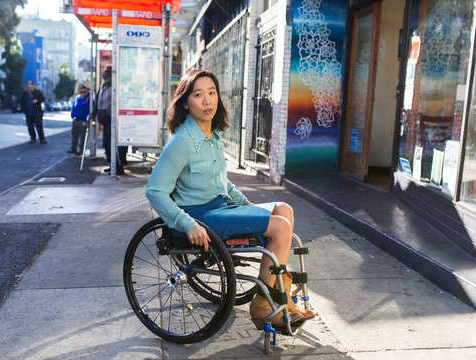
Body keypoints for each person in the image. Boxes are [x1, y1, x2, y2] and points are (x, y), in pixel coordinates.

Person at [145, 69, 315, 330]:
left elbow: (223, 185)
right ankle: (264, 304)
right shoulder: (181, 142)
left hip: (221, 208)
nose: (207, 101)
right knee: (280, 227)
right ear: (186, 102)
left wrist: (248, 207)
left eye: (211, 93)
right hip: (200, 216)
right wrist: (187, 224)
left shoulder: (213, 136)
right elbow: (155, 191)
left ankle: (277, 293)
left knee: (284, 210)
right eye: (198, 95)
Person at [90, 65, 128, 174]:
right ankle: (113, 165)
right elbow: (97, 101)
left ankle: (118, 167)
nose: (104, 73)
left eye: (106, 71)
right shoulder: (103, 86)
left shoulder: (115, 86)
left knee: (112, 144)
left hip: (112, 120)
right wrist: (93, 114)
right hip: (105, 121)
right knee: (107, 144)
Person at [68, 85, 91, 155]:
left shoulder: (88, 99)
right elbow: (73, 107)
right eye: (81, 92)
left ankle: (81, 150)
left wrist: (85, 120)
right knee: (74, 134)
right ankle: (74, 148)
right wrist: (72, 115)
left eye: (84, 92)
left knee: (83, 136)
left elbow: (88, 111)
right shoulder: (78, 98)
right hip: (76, 119)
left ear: (86, 92)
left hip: (83, 121)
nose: (82, 93)